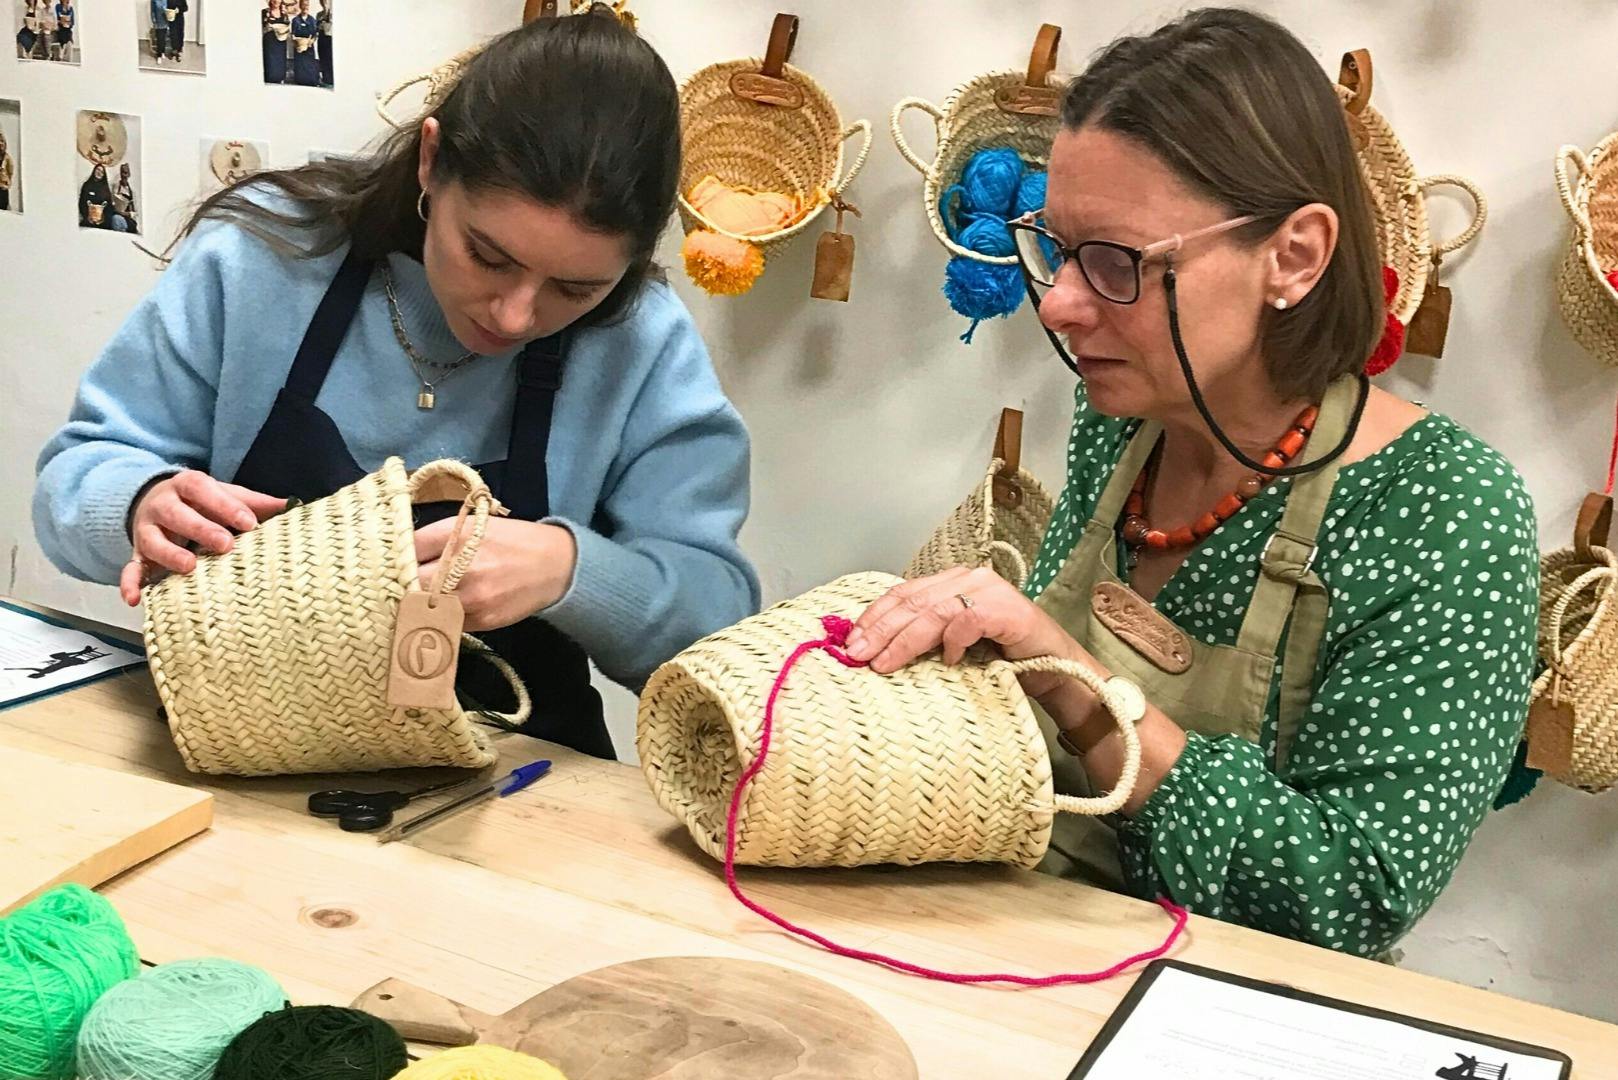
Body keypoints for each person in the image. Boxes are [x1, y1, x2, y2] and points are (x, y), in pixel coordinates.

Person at [847, 7, 1537, 958]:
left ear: (1292, 255)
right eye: (1052, 244)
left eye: (1116, 263)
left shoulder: (1444, 509)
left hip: (1231, 1010)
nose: (1056, 300)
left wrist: (1068, 675)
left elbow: (1349, 897)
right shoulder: (1127, 417)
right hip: (1025, 940)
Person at [35, 7, 760, 761]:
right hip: (236, 743)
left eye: (575, 290)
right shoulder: (259, 260)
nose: (515, 316)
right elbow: (71, 479)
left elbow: (719, 625)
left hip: (520, 786)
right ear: (430, 161)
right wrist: (138, 504)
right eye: (488, 255)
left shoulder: (641, 339)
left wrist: (575, 571)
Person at [289, 0, 319, 87]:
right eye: (303, 5)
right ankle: (300, 81)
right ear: (300, 6)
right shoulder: (295, 20)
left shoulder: (312, 20)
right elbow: (293, 35)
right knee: (300, 65)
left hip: (309, 47)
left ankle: (310, 81)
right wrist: (296, 43)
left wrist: (311, 42)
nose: (305, 6)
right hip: (299, 47)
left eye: (307, 5)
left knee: (309, 65)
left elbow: (315, 34)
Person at [78, 163, 114, 228]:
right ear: (94, 170)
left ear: (104, 175)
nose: (99, 173)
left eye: (102, 172)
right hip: (88, 220)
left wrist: (103, 219)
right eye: (98, 170)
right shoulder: (86, 185)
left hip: (103, 222)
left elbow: (109, 207)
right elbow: (81, 203)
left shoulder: (106, 189)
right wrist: (88, 217)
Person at [262, 1, 288, 84]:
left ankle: (280, 78)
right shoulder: (265, 12)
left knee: (280, 59)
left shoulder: (284, 13)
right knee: (270, 60)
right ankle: (269, 78)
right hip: (269, 41)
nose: (276, 1)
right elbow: (261, 27)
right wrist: (267, 28)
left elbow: (287, 26)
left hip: (281, 40)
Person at [113, 162, 138, 233]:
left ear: (129, 174)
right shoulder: (115, 187)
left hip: (129, 219)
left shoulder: (132, 192)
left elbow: (135, 211)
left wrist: (129, 214)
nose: (124, 175)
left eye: (126, 173)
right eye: (122, 173)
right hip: (118, 216)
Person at [165, 0, 187, 65]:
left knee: (180, 34)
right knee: (173, 34)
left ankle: (179, 50)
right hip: (172, 19)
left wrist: (179, 10)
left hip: (180, 19)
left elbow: (186, 8)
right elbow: (165, 7)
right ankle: (174, 50)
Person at [316, 0, 333, 88]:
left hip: (329, 38)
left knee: (330, 58)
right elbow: (317, 26)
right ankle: (325, 79)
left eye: (325, 1)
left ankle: (331, 79)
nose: (324, 2)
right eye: (322, 1)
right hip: (321, 38)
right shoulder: (319, 14)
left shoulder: (332, 13)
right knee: (322, 57)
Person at [0, 130, 13, 212]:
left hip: (3, 189)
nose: (0, 143)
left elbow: (10, 172)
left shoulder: (7, 158)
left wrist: (6, 183)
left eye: (2, 141)